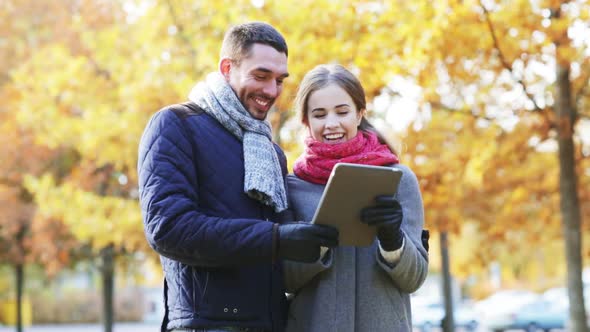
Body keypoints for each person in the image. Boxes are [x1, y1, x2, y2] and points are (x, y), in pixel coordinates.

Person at [137, 22, 339, 332]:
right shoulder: (175, 125)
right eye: (260, 76)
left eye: (279, 80)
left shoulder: (270, 151)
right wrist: (276, 239)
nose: (271, 91)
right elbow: (168, 228)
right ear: (227, 67)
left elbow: (283, 248)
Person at [283, 64, 429, 332]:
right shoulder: (291, 187)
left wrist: (393, 240)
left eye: (342, 112)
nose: (331, 124)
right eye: (319, 114)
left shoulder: (399, 180)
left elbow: (415, 279)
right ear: (305, 121)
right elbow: (284, 280)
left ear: (360, 113)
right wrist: (316, 243)